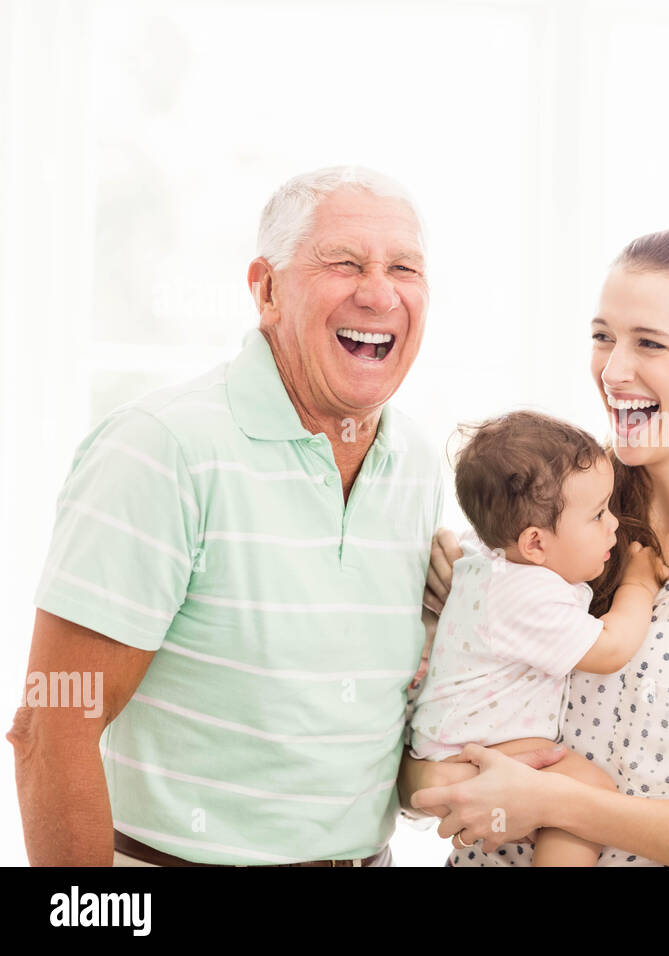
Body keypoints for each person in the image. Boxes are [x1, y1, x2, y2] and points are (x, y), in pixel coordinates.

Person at [7, 166, 442, 866]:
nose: (380, 291)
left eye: (404, 267)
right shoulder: (161, 447)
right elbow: (52, 723)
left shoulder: (417, 462)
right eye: (346, 264)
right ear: (266, 290)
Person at [400, 227, 669, 866]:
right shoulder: (537, 522)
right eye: (602, 336)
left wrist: (555, 803)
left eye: (650, 344)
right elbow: (414, 771)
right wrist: (436, 780)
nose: (612, 370)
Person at [409, 411, 663, 865]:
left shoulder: (489, 555)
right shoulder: (527, 592)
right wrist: (639, 586)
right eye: (598, 514)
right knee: (585, 792)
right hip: (470, 751)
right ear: (535, 543)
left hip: (450, 742)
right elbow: (610, 649)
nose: (614, 525)